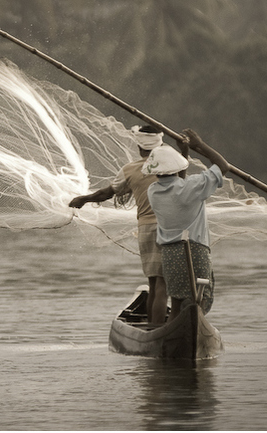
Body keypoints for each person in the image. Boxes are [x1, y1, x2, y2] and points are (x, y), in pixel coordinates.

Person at [68, 125, 168, 327]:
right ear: (161, 145)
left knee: (153, 281)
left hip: (146, 229)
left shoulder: (130, 170)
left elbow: (106, 193)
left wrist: (84, 199)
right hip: (168, 228)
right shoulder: (170, 166)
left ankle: (152, 329)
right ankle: (158, 331)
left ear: (140, 148)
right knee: (163, 285)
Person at [143, 128, 230, 321]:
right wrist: (199, 145)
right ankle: (190, 334)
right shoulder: (191, 187)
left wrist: (184, 153)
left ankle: (171, 336)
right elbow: (223, 166)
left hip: (170, 253)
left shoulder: (153, 191)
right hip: (195, 251)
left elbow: (177, 183)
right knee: (196, 301)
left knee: (176, 302)